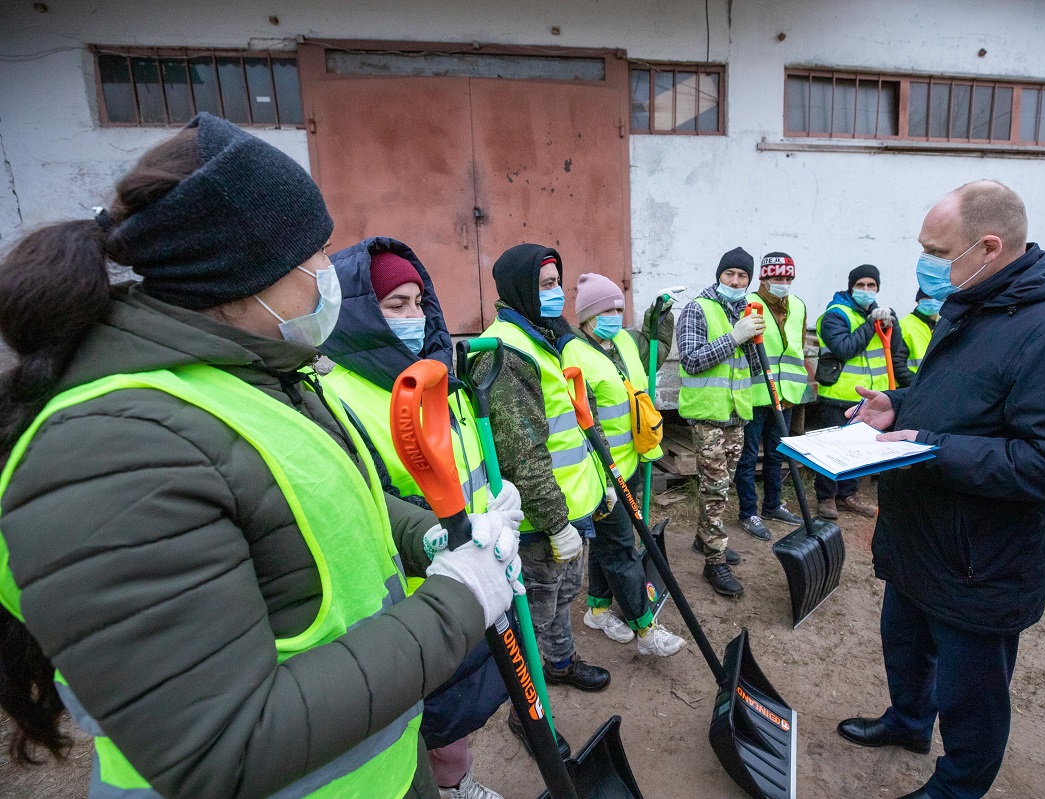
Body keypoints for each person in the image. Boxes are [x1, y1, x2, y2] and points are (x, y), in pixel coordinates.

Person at [0, 114, 523, 799]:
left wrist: (425, 536)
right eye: (312, 256)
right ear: (240, 278)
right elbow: (222, 745)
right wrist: (459, 598)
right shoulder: (112, 447)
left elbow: (322, 510)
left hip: (381, 772)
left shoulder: (260, 375)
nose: (325, 275)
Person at [838, 180, 1045, 799]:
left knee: (972, 689)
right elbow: (968, 400)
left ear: (988, 246)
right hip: (921, 539)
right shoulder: (976, 299)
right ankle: (909, 722)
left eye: (935, 252)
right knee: (906, 647)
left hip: (981, 561)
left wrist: (937, 450)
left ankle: (960, 784)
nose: (925, 264)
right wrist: (899, 404)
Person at [318, 238, 509, 799]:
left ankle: (455, 778)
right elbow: (369, 500)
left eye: (417, 302)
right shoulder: (338, 393)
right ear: (359, 311)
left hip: (473, 560)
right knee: (427, 713)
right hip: (414, 587)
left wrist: (493, 509)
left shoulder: (434, 374)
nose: (411, 316)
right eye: (392, 305)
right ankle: (444, 786)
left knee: (463, 703)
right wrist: (446, 535)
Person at [468, 244, 610, 754]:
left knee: (561, 600)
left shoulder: (545, 337)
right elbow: (521, 452)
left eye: (558, 284)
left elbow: (570, 427)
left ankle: (561, 662)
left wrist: (600, 484)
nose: (555, 295)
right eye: (545, 285)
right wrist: (554, 522)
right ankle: (526, 716)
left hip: (570, 507)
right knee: (533, 613)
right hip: (537, 522)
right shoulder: (504, 350)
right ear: (521, 289)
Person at [560, 273, 687, 656]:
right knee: (620, 549)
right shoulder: (573, 356)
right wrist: (604, 481)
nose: (615, 315)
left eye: (619, 308)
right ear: (586, 317)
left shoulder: (621, 343)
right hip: (599, 474)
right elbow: (578, 428)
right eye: (606, 310)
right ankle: (647, 631)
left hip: (627, 464)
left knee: (606, 546)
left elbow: (655, 346)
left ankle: (598, 610)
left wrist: (660, 314)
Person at [676, 247, 765, 597]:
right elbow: (692, 361)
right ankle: (714, 562)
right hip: (708, 416)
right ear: (719, 276)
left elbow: (754, 369)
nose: (736, 281)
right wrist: (735, 336)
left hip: (736, 415)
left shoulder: (745, 312)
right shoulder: (697, 310)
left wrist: (754, 340)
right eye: (730, 274)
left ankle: (705, 538)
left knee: (723, 485)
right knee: (714, 488)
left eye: (743, 276)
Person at [813, 264, 913, 520]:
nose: (867, 290)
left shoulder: (881, 315)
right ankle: (826, 498)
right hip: (839, 394)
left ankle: (848, 495)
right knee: (831, 449)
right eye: (861, 285)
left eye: (872, 285)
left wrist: (893, 324)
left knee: (861, 448)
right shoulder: (835, 315)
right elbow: (845, 348)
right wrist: (871, 325)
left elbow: (896, 348)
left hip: (871, 398)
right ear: (851, 287)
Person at [733, 252, 815, 540]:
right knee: (747, 456)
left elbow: (799, 347)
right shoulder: (747, 305)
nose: (783, 283)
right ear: (764, 279)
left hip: (786, 394)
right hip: (754, 394)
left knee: (777, 454)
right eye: (776, 278)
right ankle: (748, 512)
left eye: (787, 278)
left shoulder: (798, 305)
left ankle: (773, 505)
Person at [898, 289, 942, 374]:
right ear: (918, 301)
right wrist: (916, 385)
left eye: (936, 297)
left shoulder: (945, 324)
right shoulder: (904, 325)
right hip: (911, 384)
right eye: (927, 297)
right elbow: (898, 364)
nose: (932, 301)